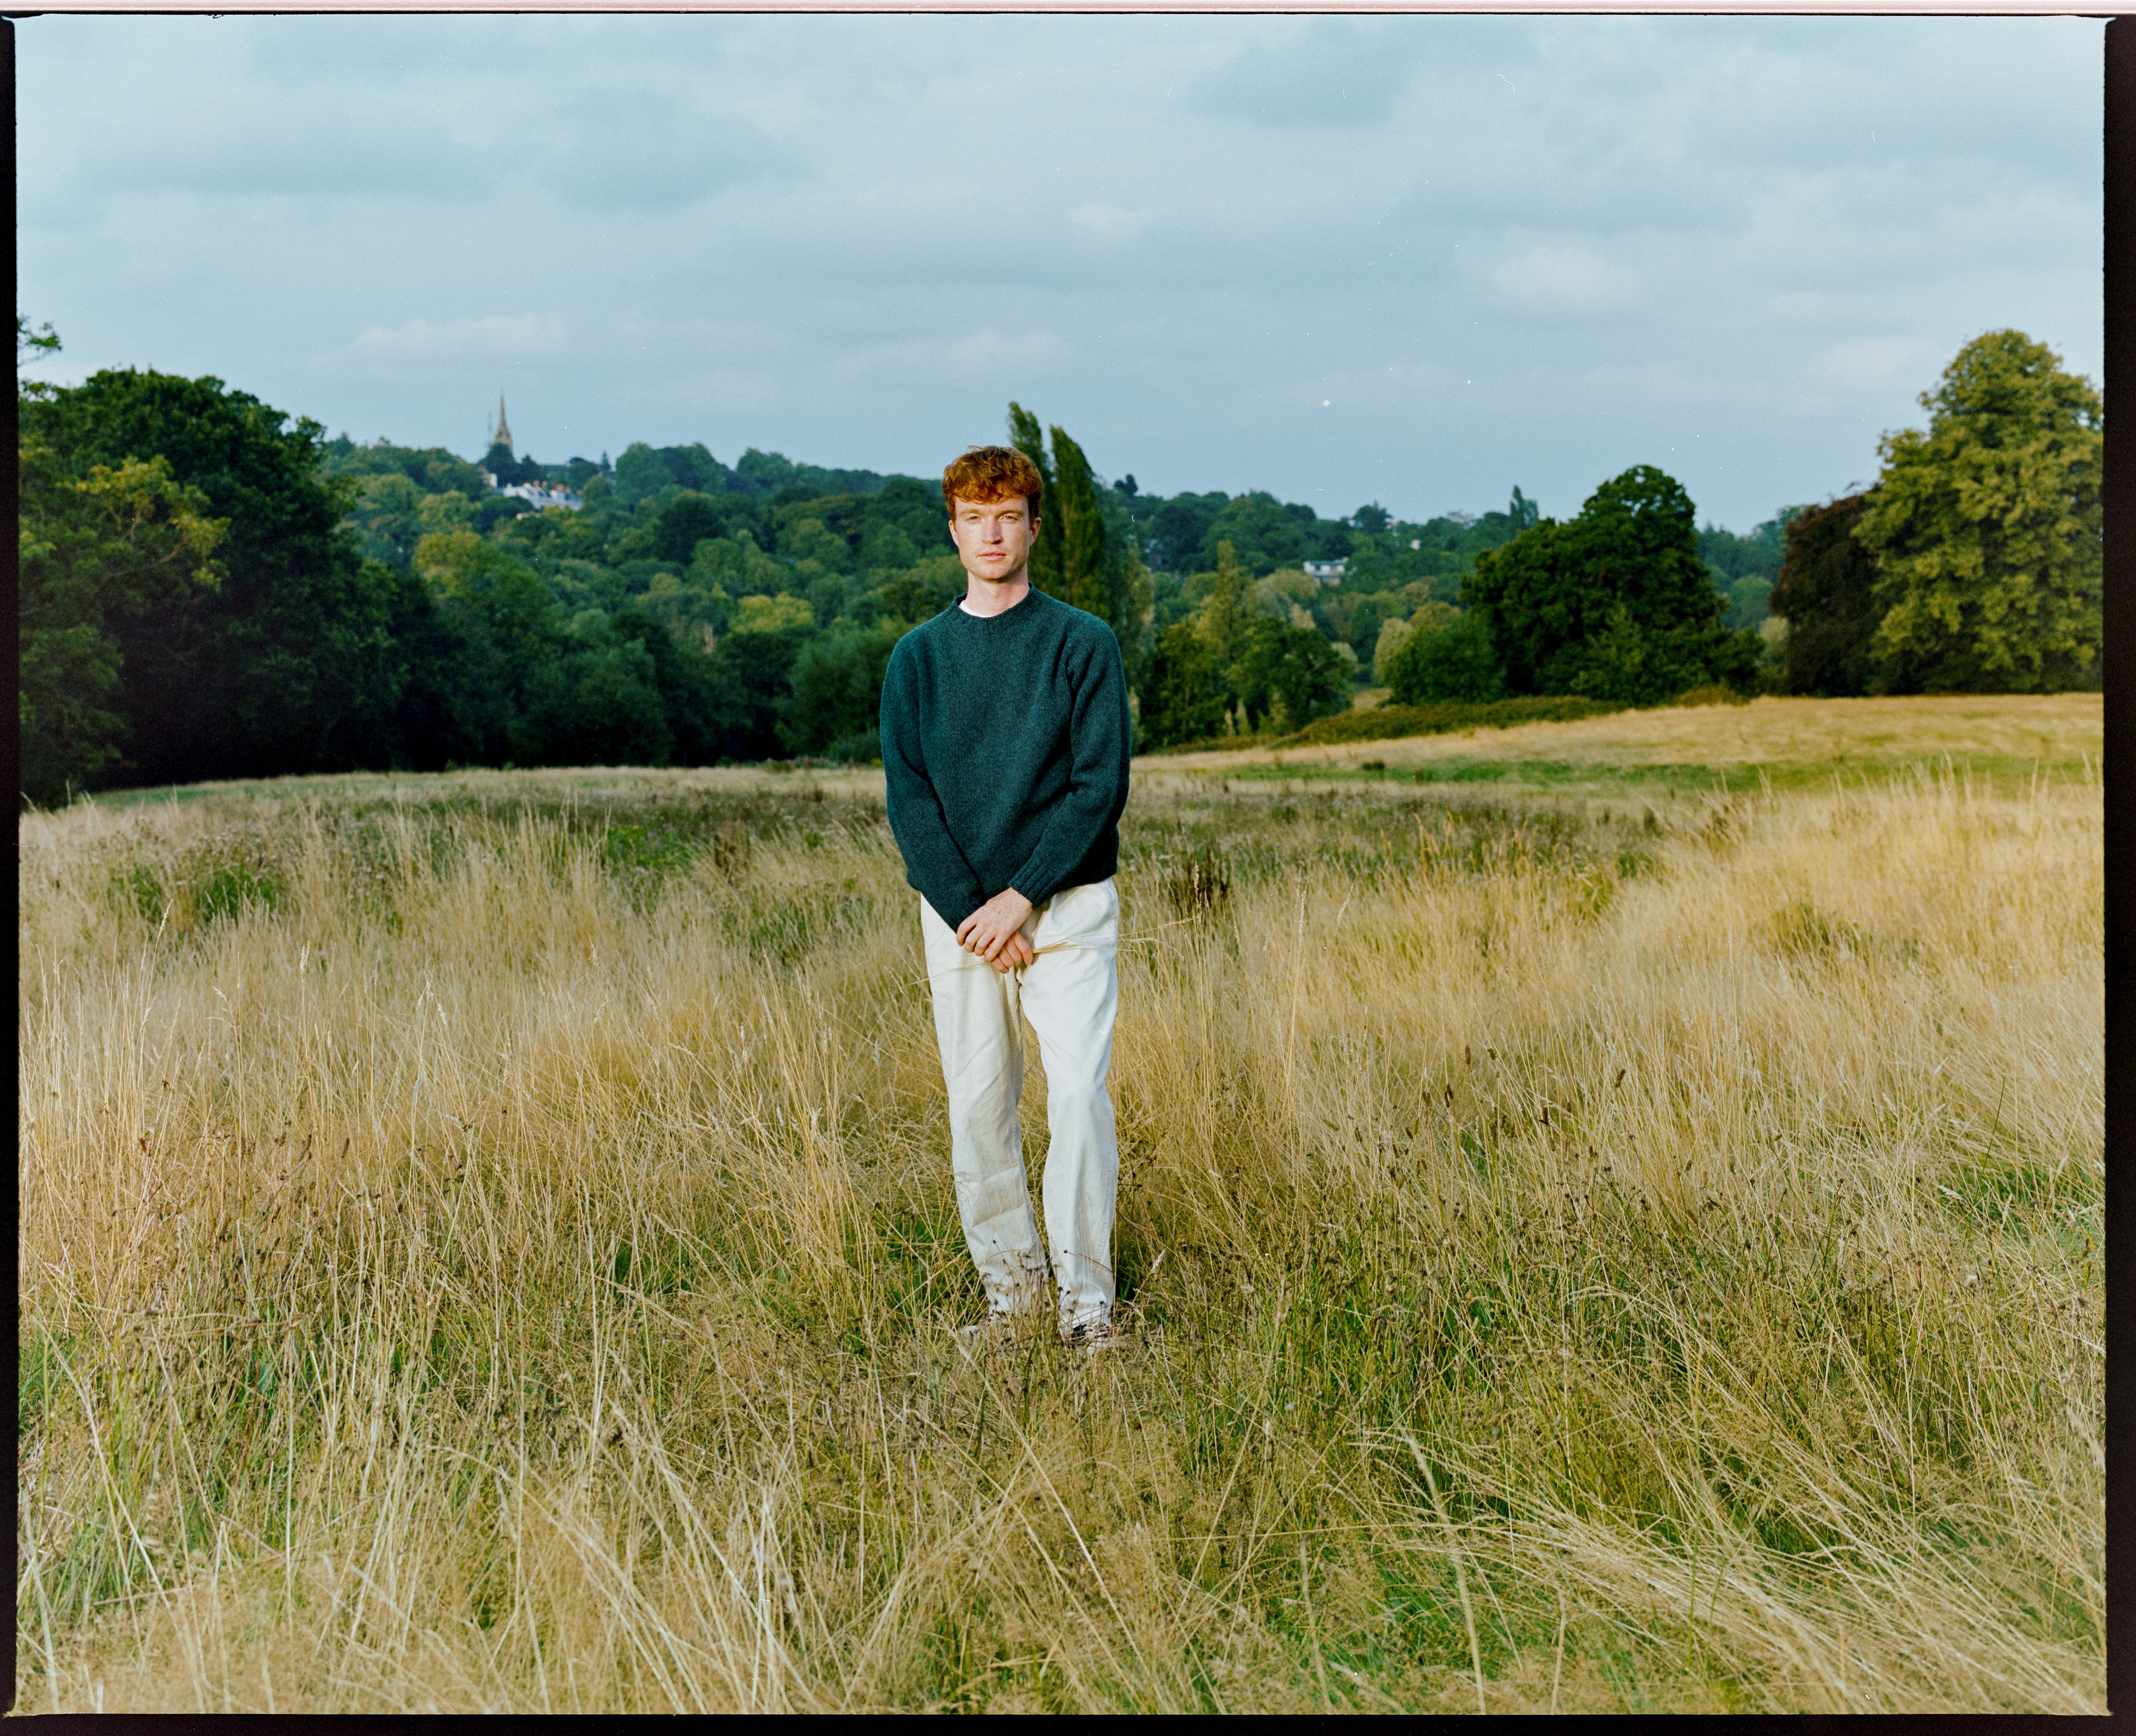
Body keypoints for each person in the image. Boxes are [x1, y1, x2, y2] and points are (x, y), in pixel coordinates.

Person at [879, 444, 1133, 1351]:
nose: (992, 534)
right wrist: (974, 911)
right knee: (978, 1106)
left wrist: (1021, 898)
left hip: (1067, 909)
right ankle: (1014, 1297)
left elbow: (1098, 787)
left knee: (1078, 1099)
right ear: (953, 532)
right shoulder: (917, 659)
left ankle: (1086, 1307)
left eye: (1008, 517)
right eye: (974, 519)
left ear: (1033, 528)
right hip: (962, 920)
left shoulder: (1082, 643)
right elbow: (910, 800)